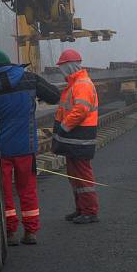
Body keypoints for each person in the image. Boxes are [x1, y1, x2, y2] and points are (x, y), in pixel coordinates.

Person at [0, 49, 60, 245]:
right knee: (27, 190)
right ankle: (30, 232)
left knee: (3, 192)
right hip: (25, 146)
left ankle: (9, 233)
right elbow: (55, 96)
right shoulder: (29, 79)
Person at [53, 49, 100, 224]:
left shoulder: (81, 84)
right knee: (74, 174)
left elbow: (80, 110)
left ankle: (90, 211)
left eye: (62, 66)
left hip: (80, 137)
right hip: (74, 138)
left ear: (69, 66)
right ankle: (81, 209)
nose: (61, 70)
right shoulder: (74, 84)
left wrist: (63, 127)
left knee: (82, 174)